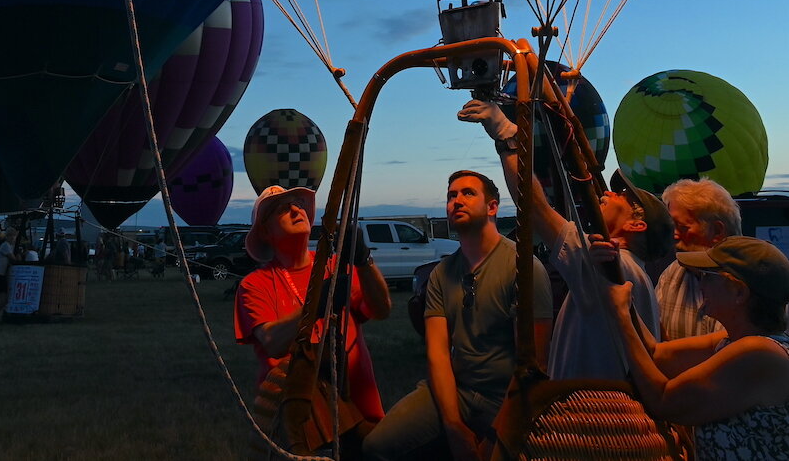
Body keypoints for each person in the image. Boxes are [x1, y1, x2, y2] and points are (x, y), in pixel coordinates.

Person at [459, 99, 673, 380]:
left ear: (636, 224)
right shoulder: (637, 275)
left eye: (622, 196)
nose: (607, 193)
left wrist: (507, 138)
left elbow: (536, 209)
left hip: (586, 414)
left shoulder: (605, 264)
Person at [366, 170, 553, 461]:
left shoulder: (523, 268)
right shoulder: (442, 274)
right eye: (452, 195)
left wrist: (495, 436)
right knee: (377, 446)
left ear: (492, 207)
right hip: (458, 390)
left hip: (505, 397)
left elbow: (532, 366)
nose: (456, 201)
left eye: (468, 193)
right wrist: (453, 425)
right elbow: (438, 354)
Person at [607, 237, 789, 460]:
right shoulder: (740, 341)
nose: (700, 284)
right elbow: (657, 354)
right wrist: (619, 290)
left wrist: (622, 317)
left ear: (739, 293)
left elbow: (664, 401)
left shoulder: (759, 353)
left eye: (708, 276)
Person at [234, 185, 392, 450]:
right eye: (283, 208)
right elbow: (272, 341)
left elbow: (382, 309)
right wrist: (315, 304)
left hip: (360, 407)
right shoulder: (255, 285)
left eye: (298, 203)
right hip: (302, 423)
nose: (296, 209)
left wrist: (364, 260)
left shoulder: (334, 265)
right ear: (265, 231)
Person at [656, 179, 789, 351]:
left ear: (717, 231)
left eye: (682, 227)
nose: (674, 235)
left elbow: (764, 359)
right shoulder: (672, 275)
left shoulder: (763, 280)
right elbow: (660, 340)